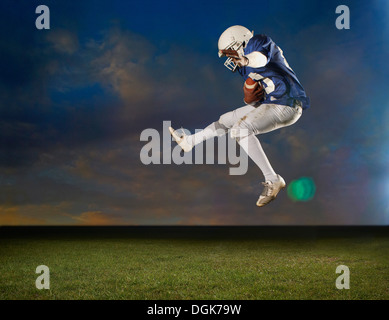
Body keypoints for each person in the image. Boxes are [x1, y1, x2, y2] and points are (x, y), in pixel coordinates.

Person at [169, 25, 310, 207]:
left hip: (288, 103)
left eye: (230, 52)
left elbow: (260, 58)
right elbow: (255, 101)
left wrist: (246, 59)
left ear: (240, 42)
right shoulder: (244, 67)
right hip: (272, 102)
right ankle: (190, 142)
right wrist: (250, 93)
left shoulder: (257, 42)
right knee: (226, 119)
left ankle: (273, 179)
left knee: (240, 129)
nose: (229, 58)